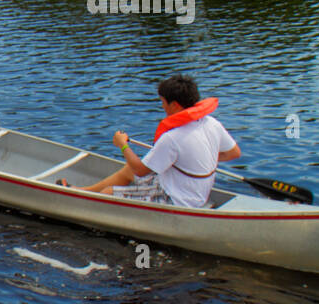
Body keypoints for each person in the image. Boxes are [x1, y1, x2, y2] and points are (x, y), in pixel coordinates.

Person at [67, 75, 240, 207]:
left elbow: (141, 170)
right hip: (195, 191)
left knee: (109, 192)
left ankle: (84, 206)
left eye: (163, 102)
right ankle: (85, 191)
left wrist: (123, 144)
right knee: (129, 170)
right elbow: (234, 153)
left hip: (177, 199)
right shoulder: (211, 123)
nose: (162, 106)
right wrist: (199, 160)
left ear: (175, 105)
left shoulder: (173, 137)